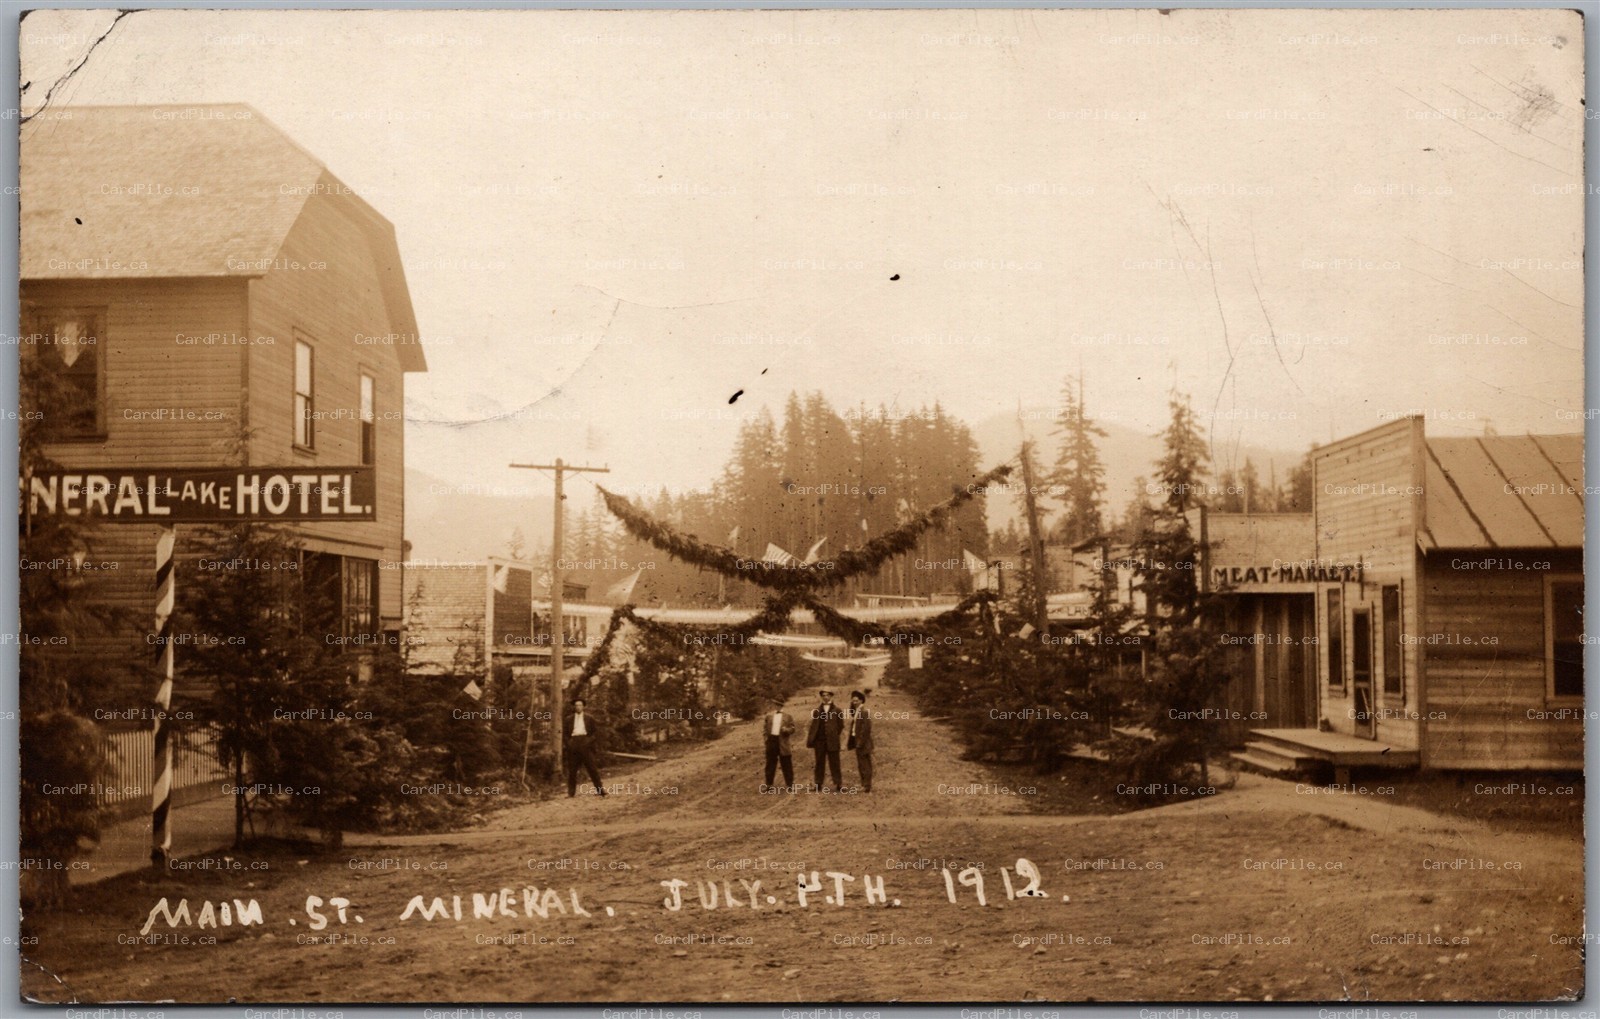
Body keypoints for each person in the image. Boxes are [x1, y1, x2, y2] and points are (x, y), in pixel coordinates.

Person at [564, 697, 606, 798]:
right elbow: (564, 734)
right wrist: (569, 743)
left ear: (583, 706)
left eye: (580, 705)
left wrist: (588, 741)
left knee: (592, 768)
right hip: (574, 743)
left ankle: (600, 790)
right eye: (576, 705)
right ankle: (571, 793)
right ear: (574, 707)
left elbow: (595, 733)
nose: (578, 707)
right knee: (572, 770)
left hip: (585, 743)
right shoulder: (568, 719)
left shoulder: (589, 718)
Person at [805, 688, 844, 793]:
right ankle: (818, 784)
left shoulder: (837, 710)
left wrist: (833, 735)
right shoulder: (817, 711)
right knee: (819, 763)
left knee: (835, 763)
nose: (826, 697)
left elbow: (840, 726)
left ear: (831, 696)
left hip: (832, 741)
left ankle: (838, 783)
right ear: (821, 697)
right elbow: (814, 726)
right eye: (823, 695)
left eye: (828, 695)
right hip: (820, 741)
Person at [762, 695, 796, 792]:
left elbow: (793, 728)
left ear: (782, 705)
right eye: (775, 704)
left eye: (779, 704)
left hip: (783, 742)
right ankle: (769, 785)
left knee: (786, 764)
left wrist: (787, 730)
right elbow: (765, 729)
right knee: (770, 764)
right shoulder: (769, 716)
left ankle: (790, 785)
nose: (777, 706)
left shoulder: (788, 716)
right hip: (772, 741)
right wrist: (766, 740)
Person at [846, 689, 874, 793]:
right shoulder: (857, 711)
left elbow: (866, 730)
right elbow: (851, 711)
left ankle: (867, 785)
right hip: (858, 742)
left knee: (865, 764)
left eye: (856, 700)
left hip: (863, 743)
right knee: (861, 764)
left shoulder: (864, 712)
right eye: (853, 701)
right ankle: (864, 784)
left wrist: (860, 742)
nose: (854, 702)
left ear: (862, 701)